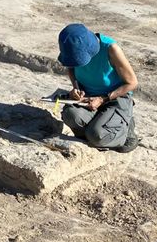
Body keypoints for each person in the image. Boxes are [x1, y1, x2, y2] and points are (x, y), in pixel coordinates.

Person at [57, 23, 139, 153]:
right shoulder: (71, 47)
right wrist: (76, 87)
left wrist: (102, 99)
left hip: (115, 97)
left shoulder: (111, 49)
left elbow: (132, 82)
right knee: (70, 115)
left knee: (97, 136)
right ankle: (99, 130)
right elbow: (71, 68)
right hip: (88, 98)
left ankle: (126, 131)